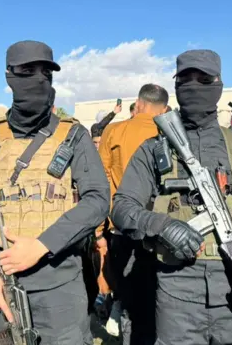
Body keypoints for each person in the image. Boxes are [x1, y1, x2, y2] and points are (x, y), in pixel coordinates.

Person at [111, 49, 232, 344]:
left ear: (219, 84)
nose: (194, 85)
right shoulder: (153, 150)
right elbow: (123, 207)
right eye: (185, 79)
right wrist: (160, 225)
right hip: (175, 294)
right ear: (175, 86)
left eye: (204, 79)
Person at [0, 40, 110, 345]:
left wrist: (41, 245)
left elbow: (98, 200)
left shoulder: (74, 135)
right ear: (9, 77)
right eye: (27, 71)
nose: (37, 79)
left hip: (60, 285)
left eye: (45, 72)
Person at [97, 83, 169, 343]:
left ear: (138, 105)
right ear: (165, 108)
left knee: (131, 302)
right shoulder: (172, 133)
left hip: (124, 227)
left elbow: (101, 182)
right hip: (166, 230)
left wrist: (99, 231)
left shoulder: (115, 130)